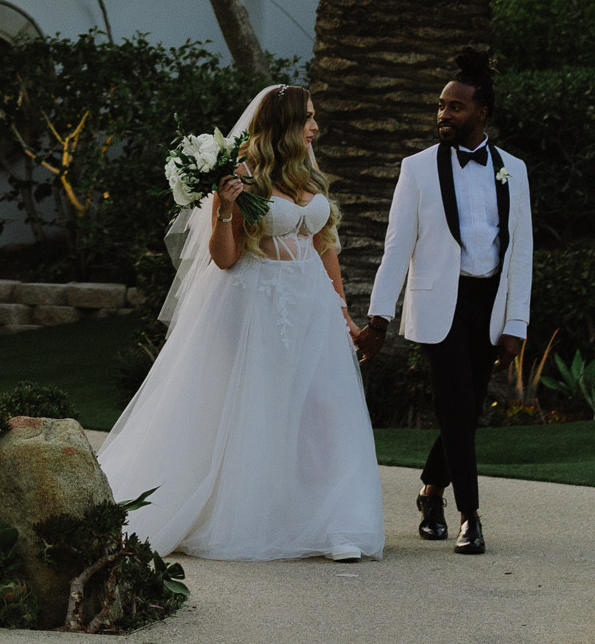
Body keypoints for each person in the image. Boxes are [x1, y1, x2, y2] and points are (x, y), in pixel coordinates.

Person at [98, 82, 385, 564]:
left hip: (311, 303)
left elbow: (324, 246)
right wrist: (226, 210)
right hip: (255, 303)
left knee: (324, 408)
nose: (316, 126)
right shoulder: (240, 175)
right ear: (284, 125)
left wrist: (344, 314)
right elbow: (225, 259)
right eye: (308, 118)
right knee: (258, 410)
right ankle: (251, 518)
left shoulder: (308, 173)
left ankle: (336, 522)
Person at [354, 49, 532, 557]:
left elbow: (522, 251)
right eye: (440, 106)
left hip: (488, 305)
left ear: (482, 113)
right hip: (440, 306)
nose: (443, 114)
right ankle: (469, 516)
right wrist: (380, 318)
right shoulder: (416, 169)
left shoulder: (513, 170)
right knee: (456, 404)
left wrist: (515, 321)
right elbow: (396, 246)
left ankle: (430, 492)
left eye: (455, 107)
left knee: (466, 410)